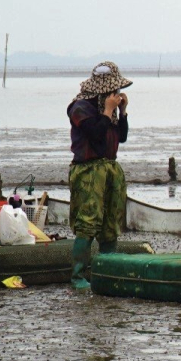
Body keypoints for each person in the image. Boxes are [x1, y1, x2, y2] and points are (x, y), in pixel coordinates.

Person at [65, 61, 132, 289]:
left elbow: (121, 137)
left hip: (110, 167)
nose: (116, 94)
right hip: (88, 170)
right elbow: (94, 133)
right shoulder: (80, 107)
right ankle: (78, 276)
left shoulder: (110, 111)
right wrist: (107, 111)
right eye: (113, 91)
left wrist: (121, 112)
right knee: (88, 221)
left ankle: (105, 272)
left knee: (111, 221)